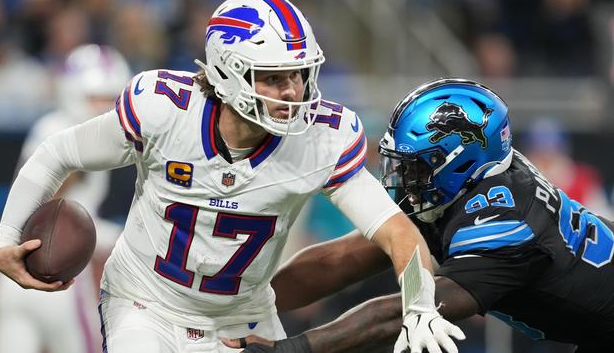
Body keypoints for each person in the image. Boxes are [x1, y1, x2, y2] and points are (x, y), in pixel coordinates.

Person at [0, 0, 463, 353]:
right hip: (146, 305)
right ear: (228, 73)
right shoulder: (164, 112)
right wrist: (4, 236)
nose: (293, 91)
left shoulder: (320, 139)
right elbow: (57, 152)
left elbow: (397, 232)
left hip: (243, 316)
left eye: (299, 74)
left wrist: (420, 304)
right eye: (274, 76)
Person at [227, 78, 614, 353]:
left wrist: (286, 350)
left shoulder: (505, 225)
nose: (401, 180)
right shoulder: (470, 184)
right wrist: (240, 304)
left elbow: (409, 311)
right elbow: (342, 260)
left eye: (416, 167)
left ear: (461, 162)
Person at [0, 44, 129, 353]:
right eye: (95, 96)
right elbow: (50, 213)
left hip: (13, 278)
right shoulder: (66, 134)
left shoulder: (48, 126)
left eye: (109, 97)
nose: (102, 106)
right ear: (72, 92)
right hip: (60, 279)